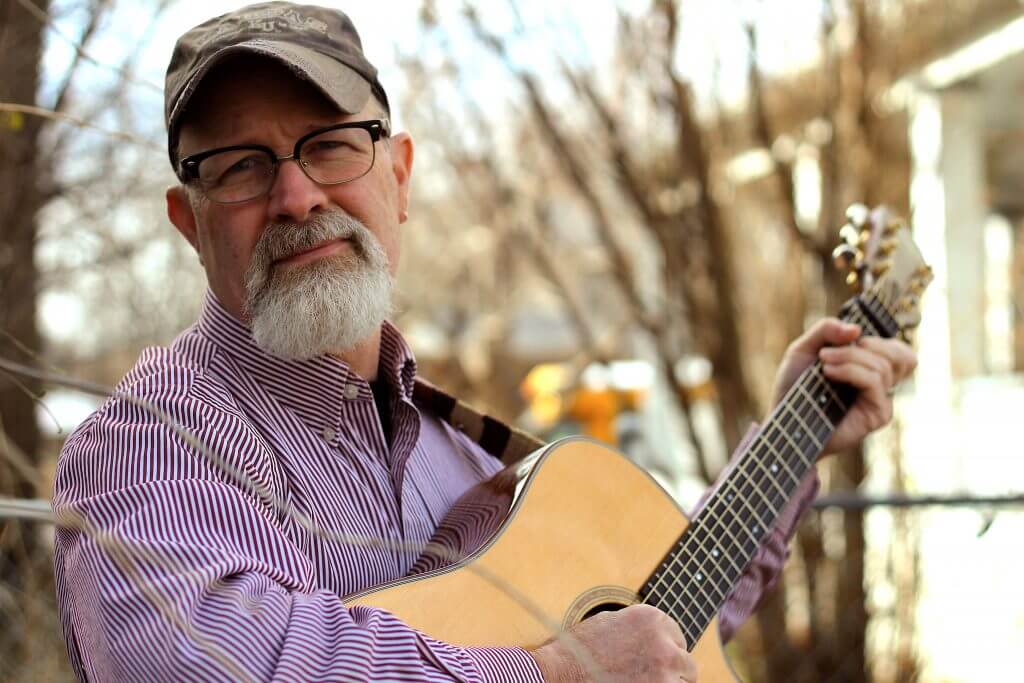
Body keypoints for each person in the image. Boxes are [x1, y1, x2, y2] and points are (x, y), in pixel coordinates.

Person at [52, 3, 917, 681]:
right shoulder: (149, 449)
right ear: (187, 221)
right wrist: (548, 674)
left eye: (331, 146)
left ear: (399, 175)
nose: (295, 195)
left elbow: (654, 633)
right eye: (240, 165)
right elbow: (225, 664)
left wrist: (796, 431)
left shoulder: (459, 459)